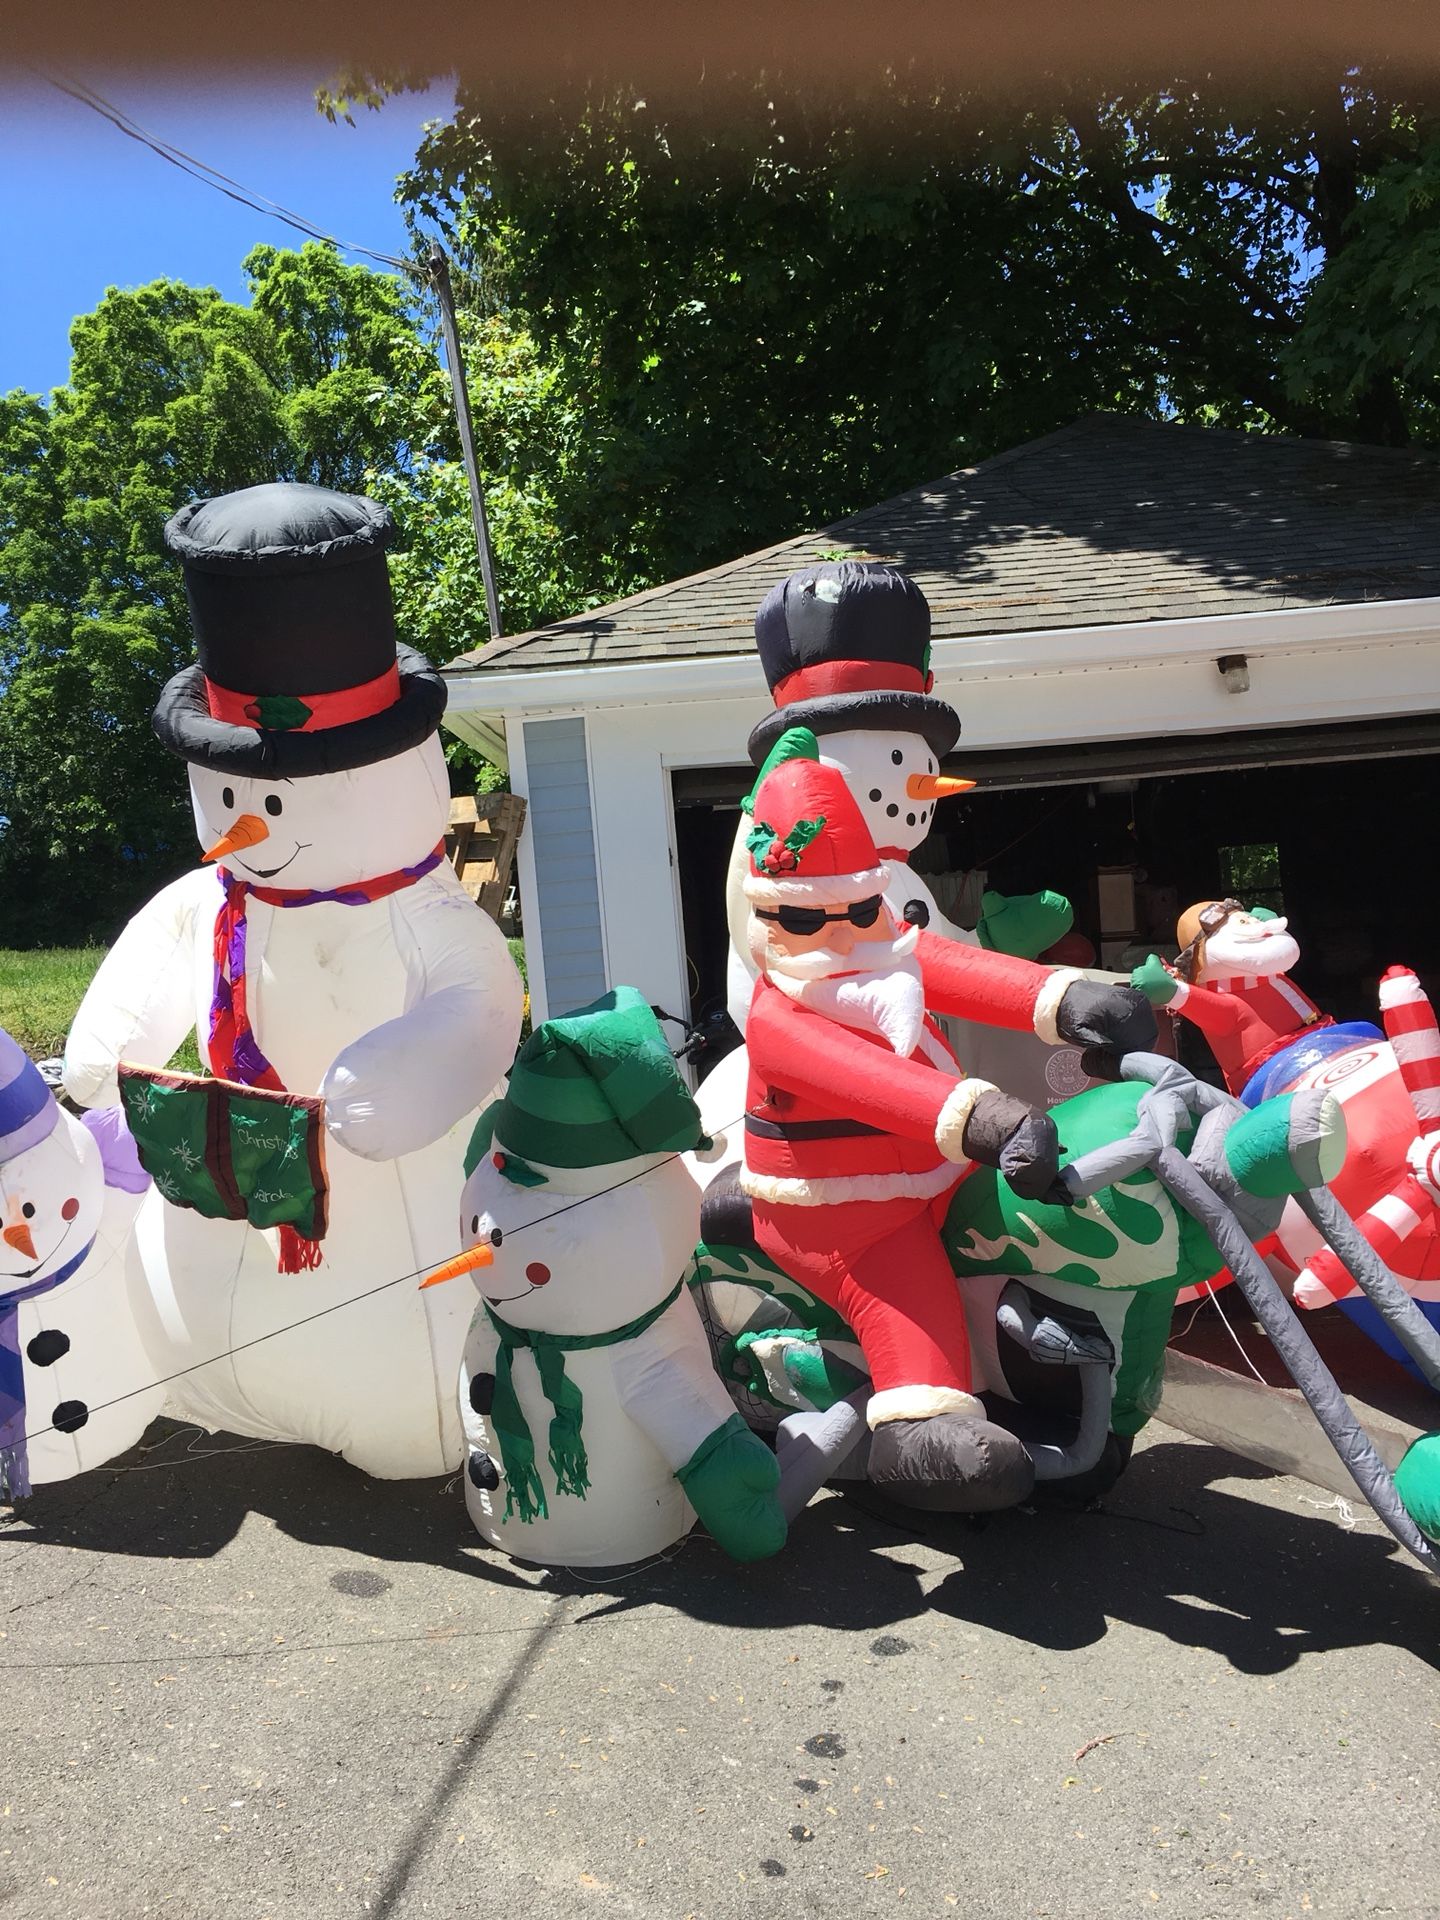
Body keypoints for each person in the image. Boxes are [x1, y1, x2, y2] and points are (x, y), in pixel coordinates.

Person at [740, 733, 1156, 1509]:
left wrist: (1071, 1000)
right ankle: (925, 1429)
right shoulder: (779, 1018)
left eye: (860, 908)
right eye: (807, 919)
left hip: (941, 1171)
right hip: (851, 1214)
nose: (842, 933)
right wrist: (984, 1117)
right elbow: (865, 1078)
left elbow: (964, 969)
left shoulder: (879, 948)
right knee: (912, 1308)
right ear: (769, 919)